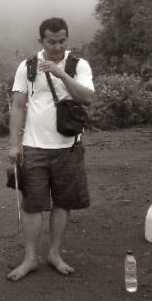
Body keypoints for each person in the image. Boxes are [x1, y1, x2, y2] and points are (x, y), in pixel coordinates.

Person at [7, 17, 95, 281]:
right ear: (41, 41)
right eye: (51, 41)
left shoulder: (78, 65)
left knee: (63, 202)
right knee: (32, 205)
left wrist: (61, 73)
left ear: (67, 39)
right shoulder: (27, 67)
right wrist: (14, 145)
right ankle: (30, 258)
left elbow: (87, 98)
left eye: (62, 41)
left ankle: (54, 254)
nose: (57, 47)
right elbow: (18, 106)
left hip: (69, 147)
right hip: (33, 147)